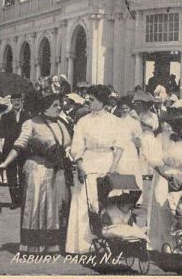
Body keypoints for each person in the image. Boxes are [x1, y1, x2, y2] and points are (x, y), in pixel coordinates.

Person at [0, 92, 72, 253]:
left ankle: (52, 245)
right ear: (45, 107)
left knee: (54, 208)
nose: (59, 108)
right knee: (37, 206)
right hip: (37, 170)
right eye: (55, 105)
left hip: (56, 171)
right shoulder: (31, 123)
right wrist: (5, 163)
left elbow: (68, 146)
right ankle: (33, 246)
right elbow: (19, 145)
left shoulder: (62, 123)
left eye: (60, 105)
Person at [66, 85, 124, 254]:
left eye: (92, 100)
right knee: (85, 201)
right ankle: (85, 244)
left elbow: (119, 146)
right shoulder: (83, 121)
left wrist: (113, 167)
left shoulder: (115, 121)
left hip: (108, 163)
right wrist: (80, 165)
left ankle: (109, 241)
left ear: (102, 101)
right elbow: (76, 146)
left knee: (106, 203)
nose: (88, 102)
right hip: (88, 163)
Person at [146, 107, 182, 251]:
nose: (180, 126)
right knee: (163, 209)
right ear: (171, 124)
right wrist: (165, 175)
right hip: (163, 176)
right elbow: (154, 159)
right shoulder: (162, 138)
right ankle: (166, 245)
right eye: (176, 123)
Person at [0, 93, 30, 209]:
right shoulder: (5, 116)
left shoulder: (28, 116)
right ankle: (14, 200)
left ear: (22, 101)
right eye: (14, 100)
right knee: (11, 174)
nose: (16, 103)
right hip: (9, 148)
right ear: (11, 102)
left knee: (23, 174)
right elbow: (1, 131)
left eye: (19, 100)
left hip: (24, 150)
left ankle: (22, 200)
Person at [113, 96, 144, 205]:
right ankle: (120, 194)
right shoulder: (116, 121)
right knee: (120, 169)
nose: (125, 110)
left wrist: (133, 139)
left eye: (127, 108)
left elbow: (139, 137)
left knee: (131, 170)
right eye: (123, 108)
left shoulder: (134, 122)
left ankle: (134, 197)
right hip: (118, 148)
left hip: (130, 149)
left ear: (130, 108)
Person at [132, 91, 159, 177]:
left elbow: (154, 127)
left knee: (149, 153)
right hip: (142, 135)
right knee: (142, 153)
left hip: (149, 136)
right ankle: (143, 171)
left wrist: (141, 121)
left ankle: (150, 171)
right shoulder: (140, 114)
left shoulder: (153, 115)